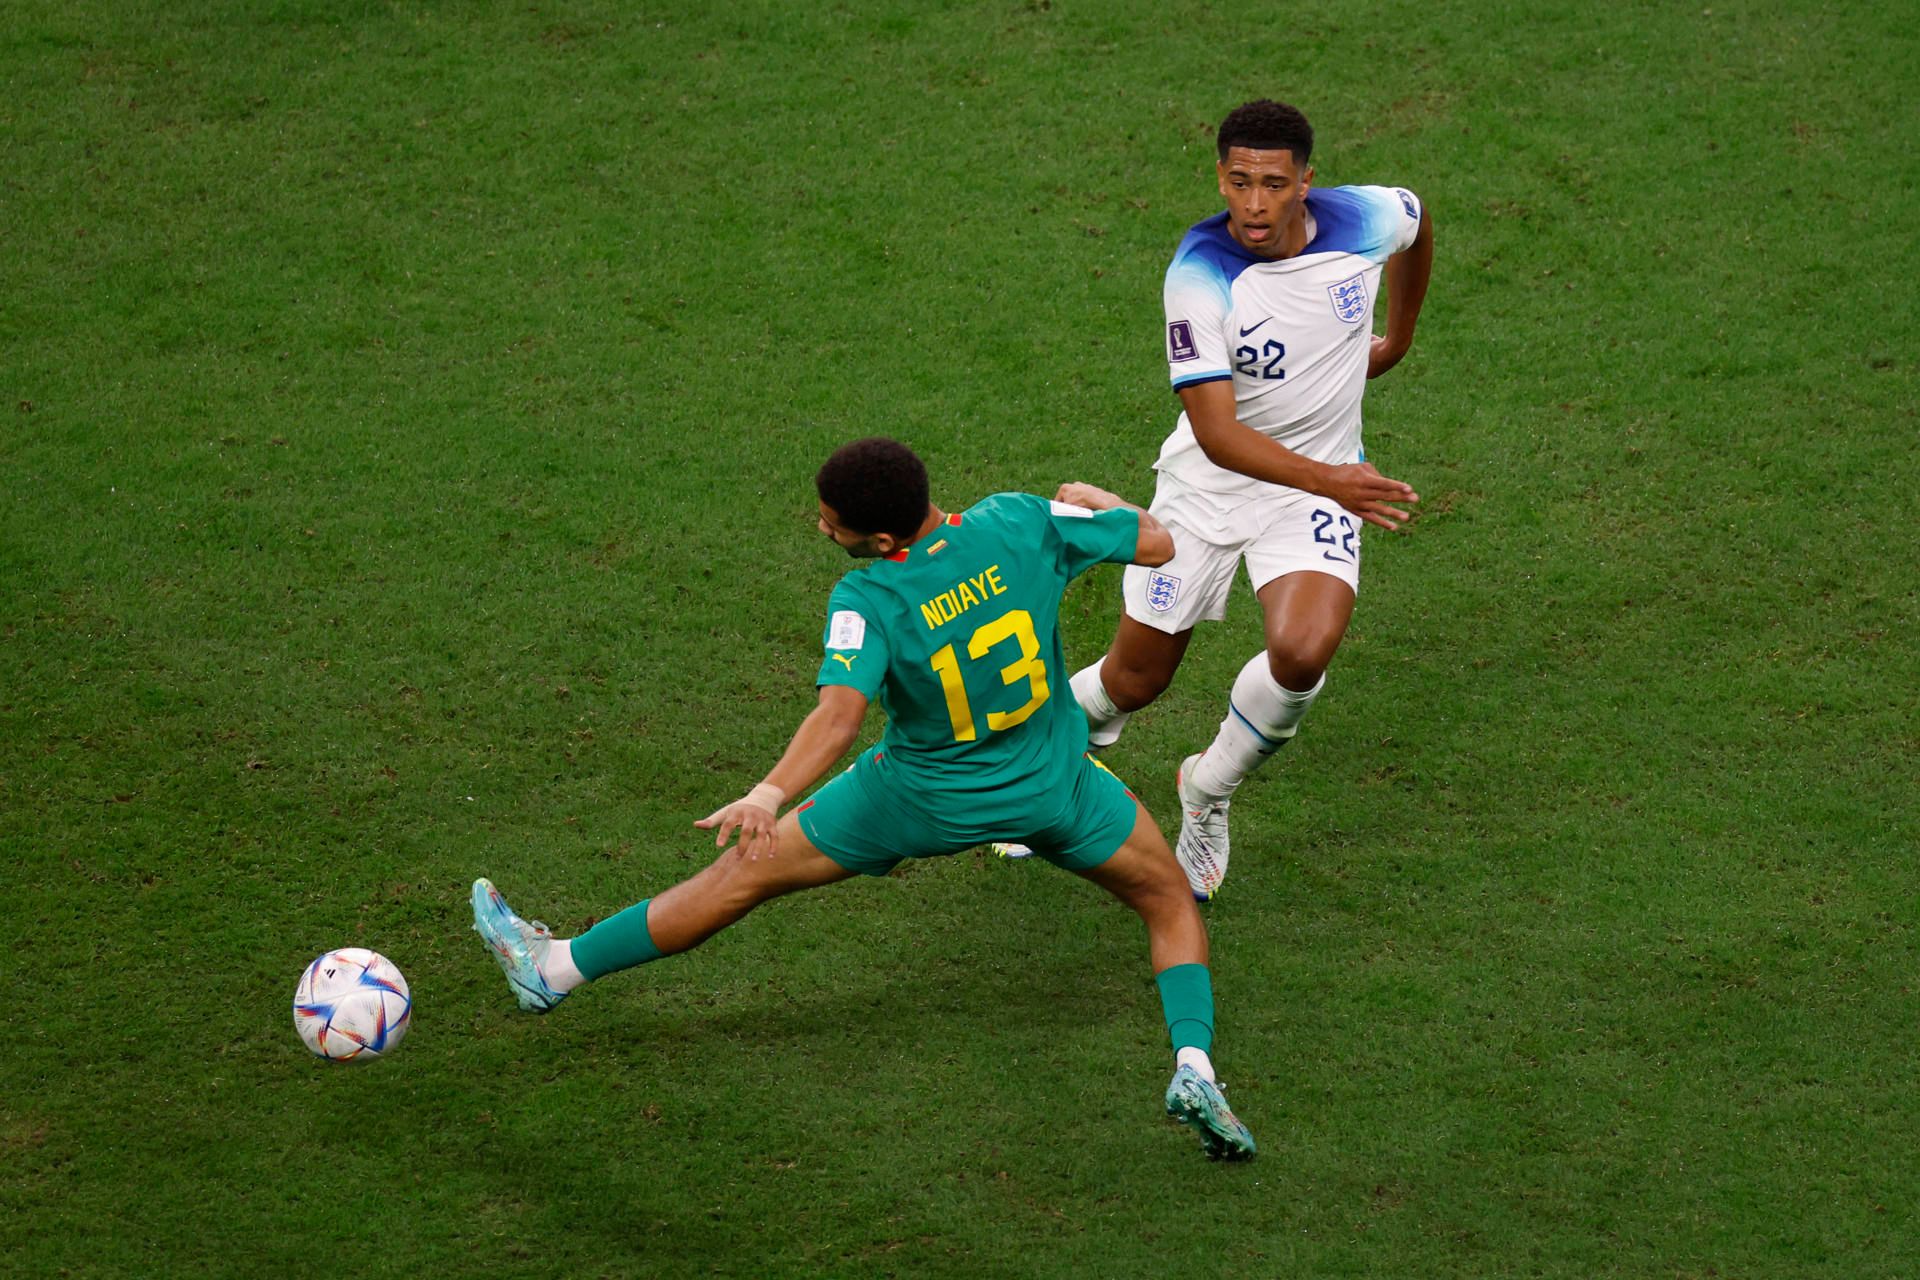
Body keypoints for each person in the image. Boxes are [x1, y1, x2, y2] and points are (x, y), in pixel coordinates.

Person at [472, 437, 1256, 1160]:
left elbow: (840, 714)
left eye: (830, 523)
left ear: (881, 541)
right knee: (1167, 902)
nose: (822, 531)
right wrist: (1093, 498)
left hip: (916, 800)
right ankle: (1195, 1066)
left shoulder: (868, 598)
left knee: (742, 875)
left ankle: (556, 969)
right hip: (1055, 788)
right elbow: (1156, 541)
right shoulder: (1019, 521)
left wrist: (767, 792)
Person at [1068, 98, 1434, 900]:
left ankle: (1207, 791)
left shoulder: (1367, 217)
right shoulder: (1199, 275)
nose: (1255, 204)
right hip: (1209, 489)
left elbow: (1418, 220)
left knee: (1303, 653)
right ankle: (1050, 758)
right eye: (1239, 183)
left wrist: (1398, 336)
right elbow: (1218, 434)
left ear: (1308, 181)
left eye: (1274, 183)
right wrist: (1336, 481)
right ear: (1221, 179)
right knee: (1135, 680)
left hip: (1309, 492)